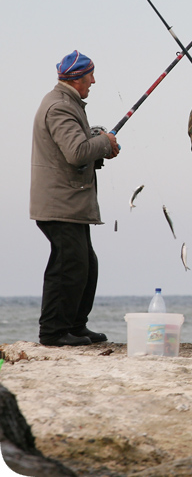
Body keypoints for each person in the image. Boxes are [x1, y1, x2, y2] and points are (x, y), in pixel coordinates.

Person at [30, 50, 120, 347]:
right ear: (77, 79)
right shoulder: (59, 107)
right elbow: (76, 152)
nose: (94, 81)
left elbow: (76, 148)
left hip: (70, 202)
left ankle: (76, 326)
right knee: (68, 264)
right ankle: (54, 332)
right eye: (90, 76)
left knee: (85, 264)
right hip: (60, 203)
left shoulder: (67, 103)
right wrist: (104, 143)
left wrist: (98, 142)